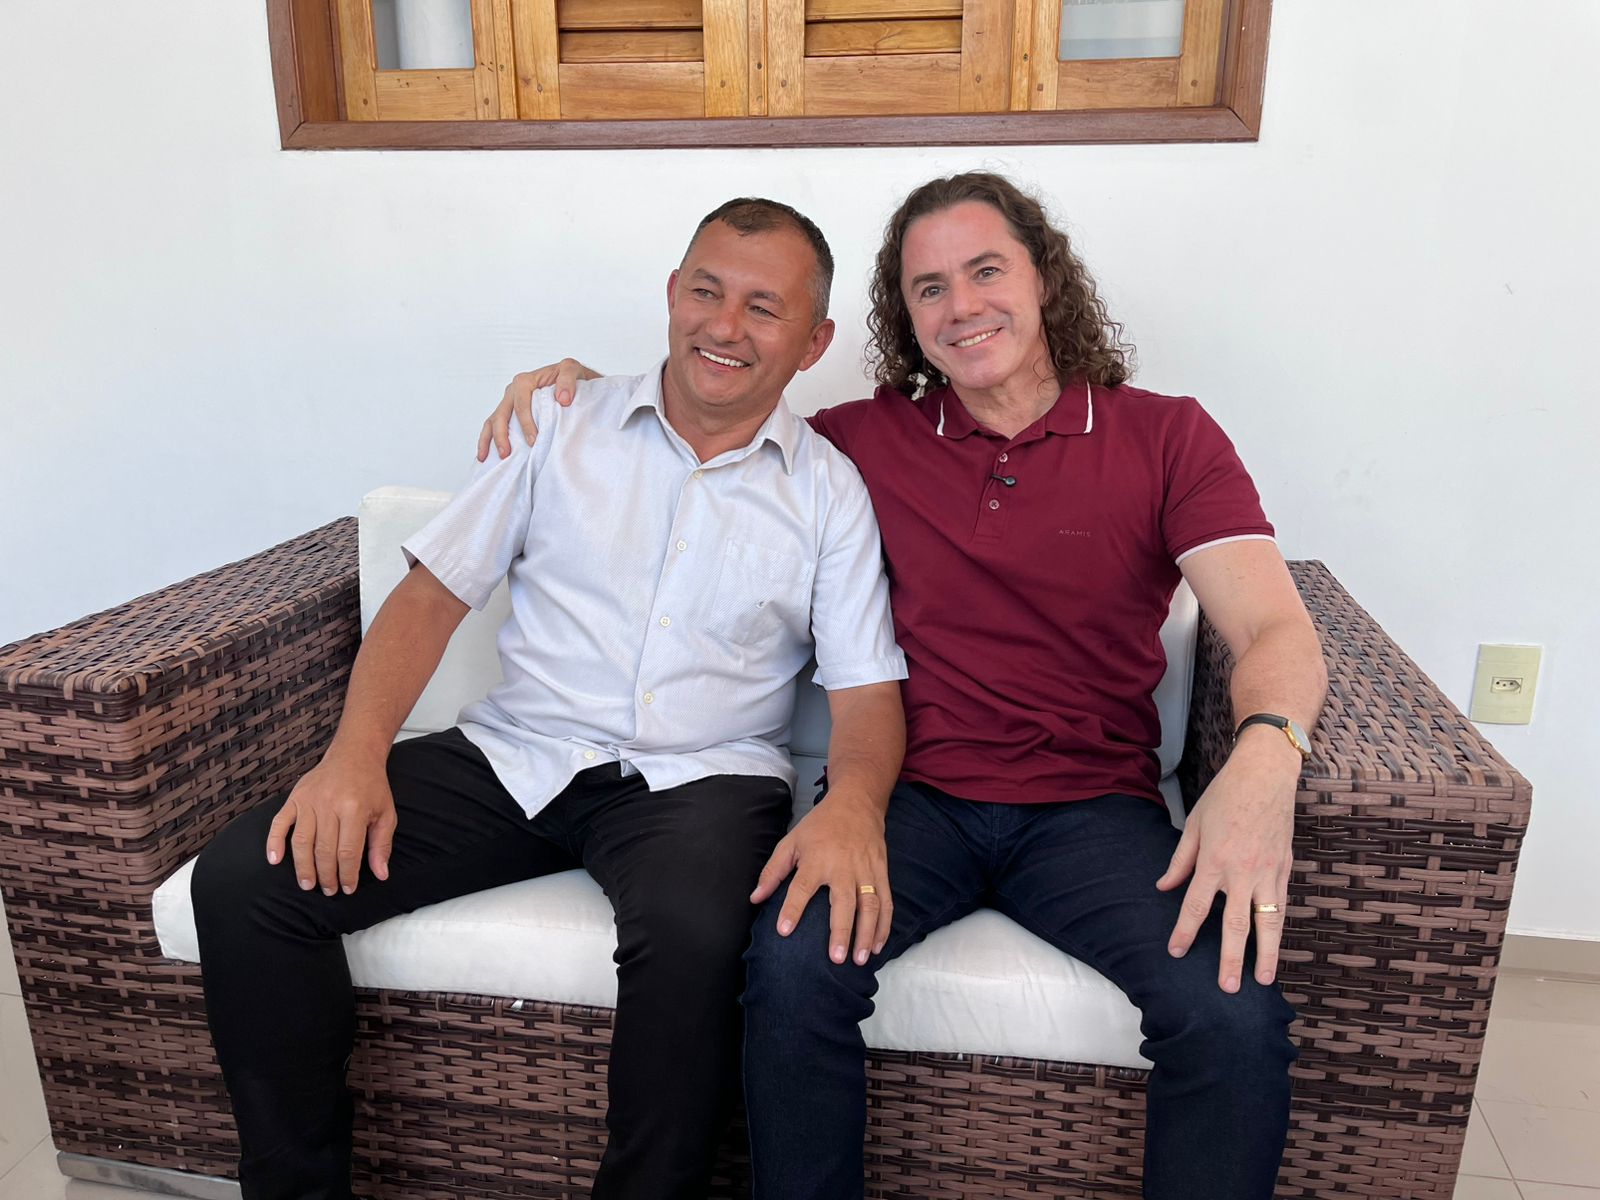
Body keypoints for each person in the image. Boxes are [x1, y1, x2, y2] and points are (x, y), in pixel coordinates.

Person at [482, 172, 1327, 1200]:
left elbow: (1274, 628)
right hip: (909, 804)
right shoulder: (861, 445)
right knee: (789, 970)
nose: (962, 305)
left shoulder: (1167, 436)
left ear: (1044, 278)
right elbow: (711, 411)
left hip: (1093, 811)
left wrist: (1266, 758)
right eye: (930, 288)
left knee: (1233, 1015)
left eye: (986, 271)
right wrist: (583, 394)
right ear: (905, 316)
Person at [190, 198, 908, 1200]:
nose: (723, 325)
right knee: (246, 880)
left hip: (701, 782)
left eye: (762, 307)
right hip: (516, 752)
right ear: (672, 293)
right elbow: (430, 599)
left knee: (697, 941)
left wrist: (853, 806)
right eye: (705, 291)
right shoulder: (558, 422)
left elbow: (867, 693)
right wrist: (352, 756)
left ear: (814, 341)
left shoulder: (829, 490)